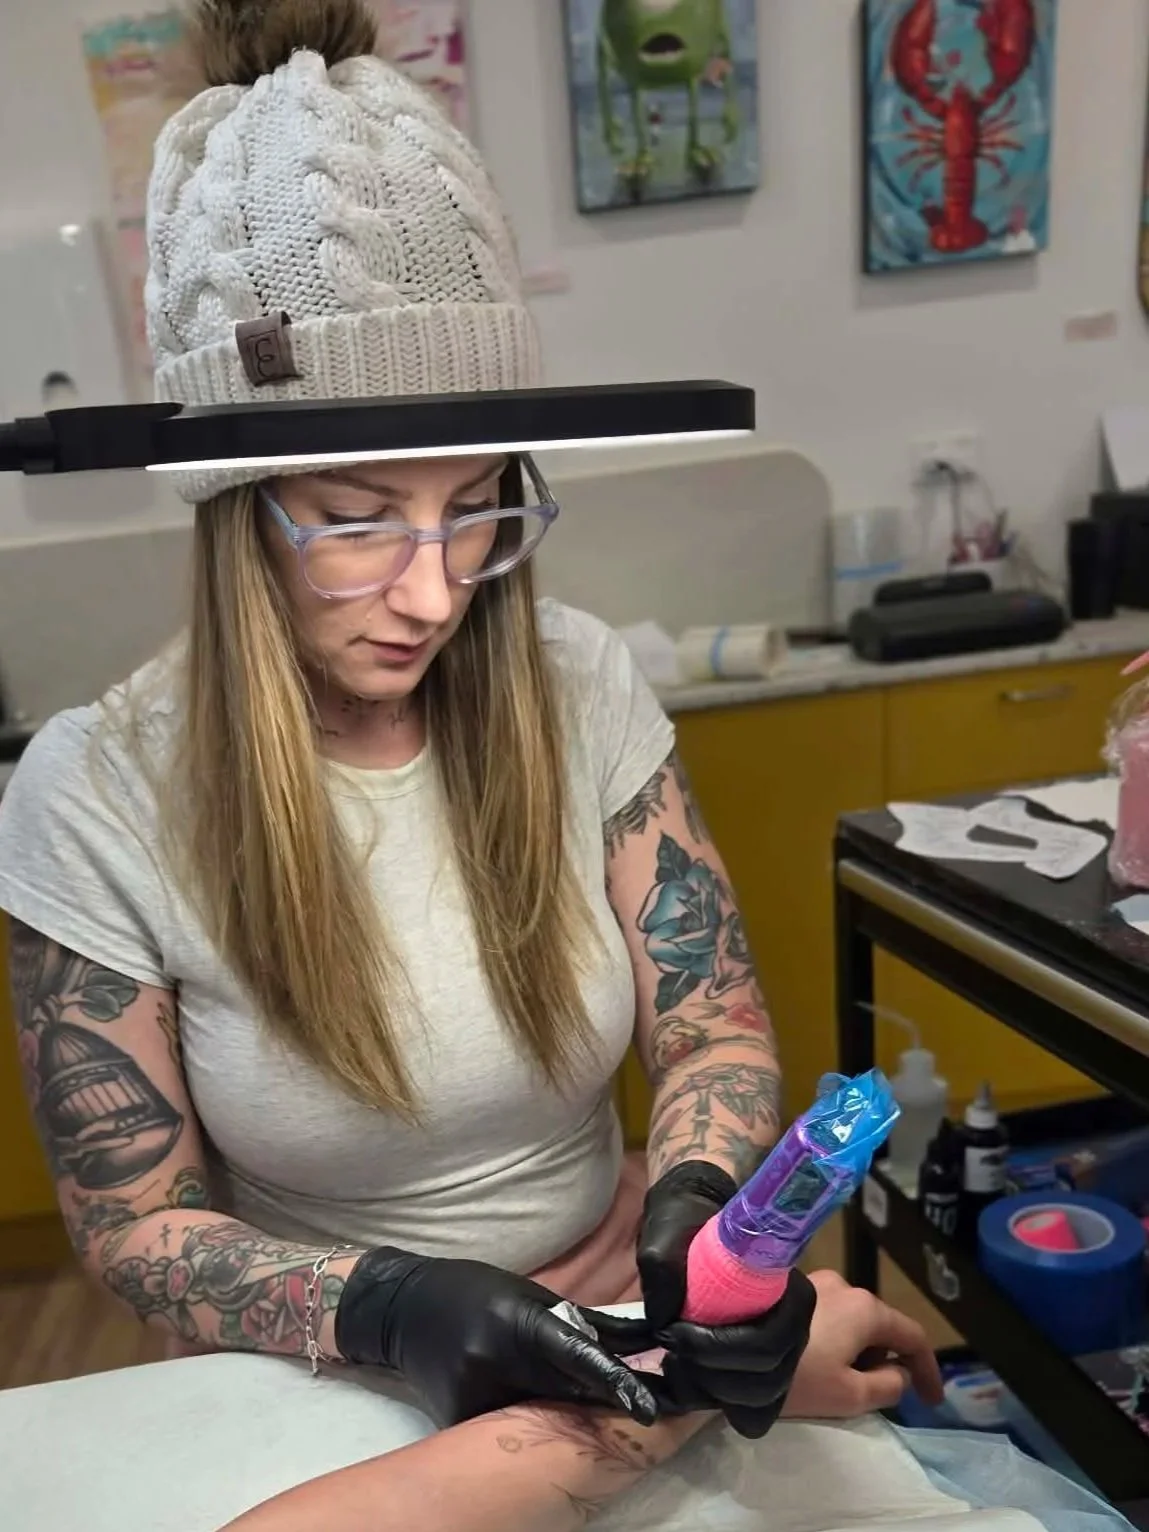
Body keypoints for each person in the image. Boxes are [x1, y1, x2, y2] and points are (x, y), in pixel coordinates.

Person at [0, 0, 810, 1435]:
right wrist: (388, 1304)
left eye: (475, 507)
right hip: (317, 1370)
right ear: (237, 512)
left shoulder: (577, 686)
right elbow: (135, 1222)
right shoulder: (97, 790)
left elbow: (714, 1033)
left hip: (611, 1314)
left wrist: (698, 1213)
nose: (435, 597)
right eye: (360, 523)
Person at [219, 1272, 946, 1531]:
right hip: (287, 1348)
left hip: (628, 1299)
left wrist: (712, 1264)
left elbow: (710, 1039)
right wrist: (390, 1302)